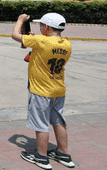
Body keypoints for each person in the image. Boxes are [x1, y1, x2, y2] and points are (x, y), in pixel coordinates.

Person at [12, 13, 75, 169]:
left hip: (41, 91)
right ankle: (63, 153)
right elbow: (44, 49)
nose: (39, 28)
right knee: (58, 121)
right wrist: (35, 40)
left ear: (46, 27)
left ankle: (41, 157)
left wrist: (20, 20)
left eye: (41, 25)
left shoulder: (40, 41)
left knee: (41, 124)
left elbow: (15, 35)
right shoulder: (67, 43)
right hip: (58, 90)